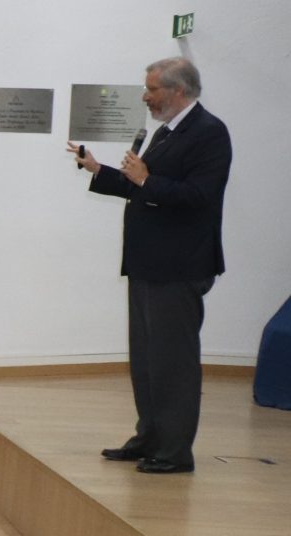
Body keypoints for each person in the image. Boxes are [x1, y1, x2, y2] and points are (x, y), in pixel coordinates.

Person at [69, 56, 232, 475]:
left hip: (179, 267)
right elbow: (139, 187)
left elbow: (198, 196)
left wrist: (145, 179)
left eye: (152, 89)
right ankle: (149, 437)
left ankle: (175, 452)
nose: (146, 96)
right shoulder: (165, 132)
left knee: (173, 363)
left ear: (179, 90)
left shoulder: (209, 133)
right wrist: (98, 169)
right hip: (147, 264)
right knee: (146, 359)